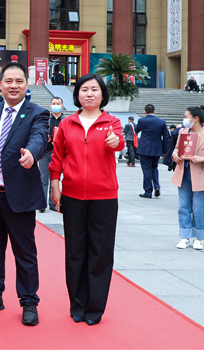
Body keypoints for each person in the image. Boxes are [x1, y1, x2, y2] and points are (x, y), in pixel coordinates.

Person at [0, 61, 48, 326]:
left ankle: (29, 301)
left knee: (24, 252)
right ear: (0, 84)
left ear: (27, 85)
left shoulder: (37, 113)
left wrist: (32, 153)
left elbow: (39, 138)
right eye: (9, 81)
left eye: (19, 81)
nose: (13, 86)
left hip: (19, 195)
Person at [49, 74, 124, 325]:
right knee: (75, 252)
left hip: (104, 197)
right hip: (72, 196)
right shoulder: (67, 124)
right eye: (84, 90)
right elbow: (57, 157)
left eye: (94, 89)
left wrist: (114, 141)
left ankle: (95, 307)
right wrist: (55, 185)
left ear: (103, 95)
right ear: (77, 95)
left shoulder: (112, 122)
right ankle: (78, 304)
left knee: (100, 252)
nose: (89, 94)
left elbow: (118, 143)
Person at [171, 106, 204, 250]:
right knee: (183, 206)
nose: (184, 119)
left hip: (201, 174)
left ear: (195, 118)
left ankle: (198, 237)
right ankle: (184, 236)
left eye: (186, 116)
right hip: (184, 172)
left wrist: (202, 159)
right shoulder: (183, 132)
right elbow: (177, 148)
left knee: (199, 208)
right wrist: (175, 154)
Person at [136, 104, 170, 198]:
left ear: (145, 112)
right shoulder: (161, 122)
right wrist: (165, 151)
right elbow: (166, 137)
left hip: (144, 149)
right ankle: (157, 186)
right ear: (154, 111)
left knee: (146, 170)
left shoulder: (142, 120)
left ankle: (148, 191)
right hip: (157, 149)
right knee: (154, 167)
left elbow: (136, 130)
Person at [38, 97, 64, 213]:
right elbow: (38, 134)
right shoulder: (45, 119)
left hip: (58, 154)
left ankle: (52, 203)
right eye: (54, 103)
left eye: (58, 103)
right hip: (46, 153)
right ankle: (42, 203)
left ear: (62, 106)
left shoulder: (65, 121)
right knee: (43, 179)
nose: (56, 105)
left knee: (55, 179)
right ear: (50, 105)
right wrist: (45, 139)